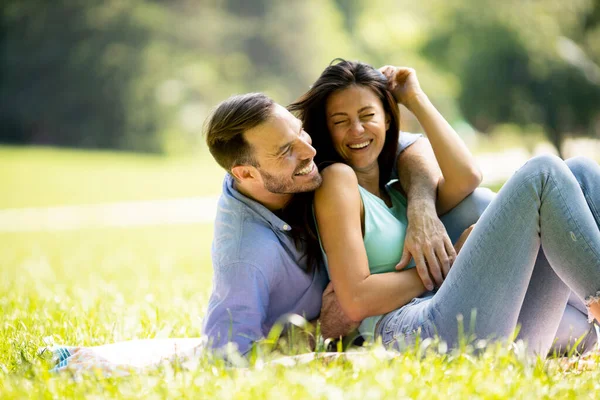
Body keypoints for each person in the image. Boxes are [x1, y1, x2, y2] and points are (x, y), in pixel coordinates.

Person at [291, 59, 600, 355]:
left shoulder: (398, 191)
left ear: (386, 118)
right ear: (327, 131)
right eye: (340, 122)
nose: (357, 130)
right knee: (542, 173)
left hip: (467, 321)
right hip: (407, 327)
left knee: (582, 172)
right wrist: (454, 263)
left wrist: (414, 97)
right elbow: (356, 299)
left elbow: (467, 176)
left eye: (367, 115)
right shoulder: (337, 181)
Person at [201, 91, 496, 356]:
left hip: (396, 298)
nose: (309, 151)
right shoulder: (244, 255)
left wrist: (422, 210)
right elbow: (227, 357)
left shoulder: (302, 168)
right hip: (376, 322)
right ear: (246, 174)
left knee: (479, 201)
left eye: (301, 132)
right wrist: (321, 329)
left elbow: (406, 147)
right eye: (286, 151)